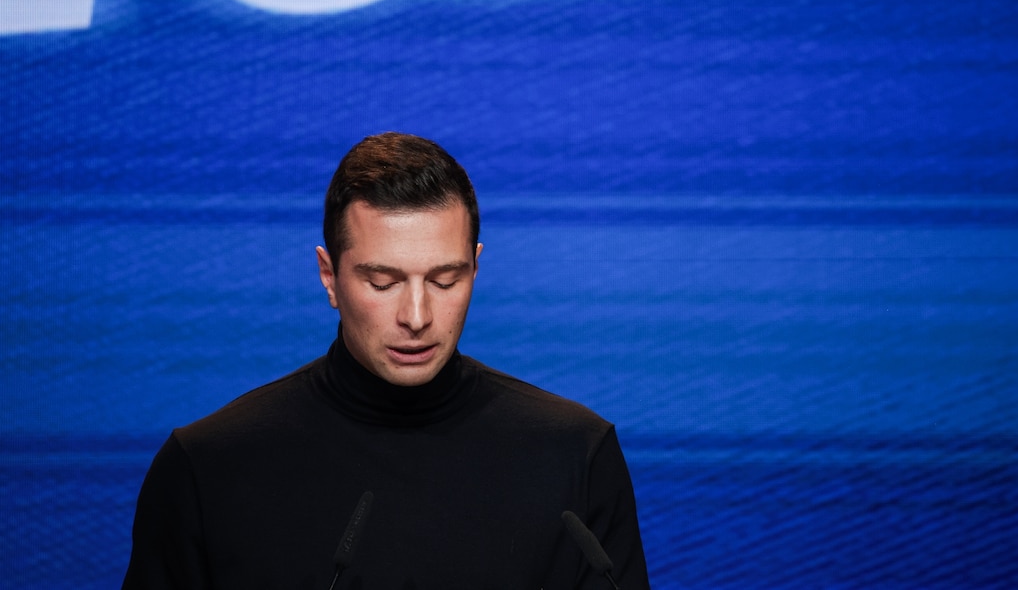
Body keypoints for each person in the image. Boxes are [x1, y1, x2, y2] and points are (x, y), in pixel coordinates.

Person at [122, 133, 650, 589]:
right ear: (329, 276)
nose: (417, 316)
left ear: (476, 269)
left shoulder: (575, 454)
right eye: (383, 281)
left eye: (446, 280)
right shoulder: (209, 467)